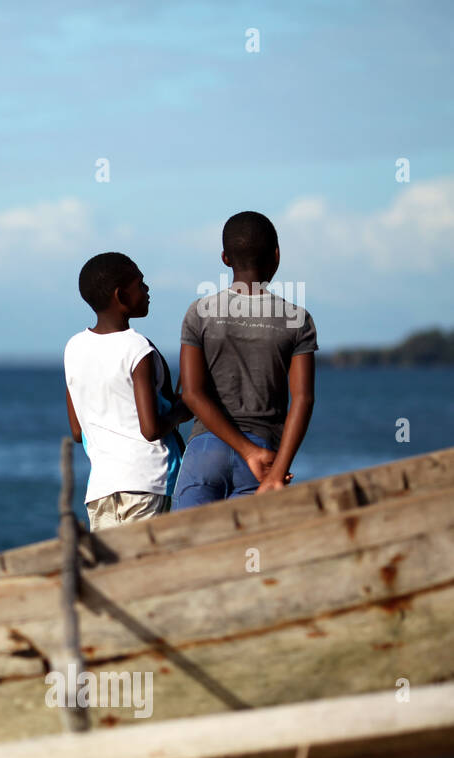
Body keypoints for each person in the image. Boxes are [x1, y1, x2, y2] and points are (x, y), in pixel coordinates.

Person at [173, 212, 317, 508]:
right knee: (252, 552)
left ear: (225, 258)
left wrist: (244, 449)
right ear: (276, 256)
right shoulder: (297, 319)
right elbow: (303, 399)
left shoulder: (199, 312)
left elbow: (191, 393)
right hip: (264, 458)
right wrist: (275, 471)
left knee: (190, 548)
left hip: (205, 449)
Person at [64, 252, 190, 531]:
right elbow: (151, 429)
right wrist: (182, 410)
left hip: (101, 488)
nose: (147, 290)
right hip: (148, 481)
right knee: (148, 567)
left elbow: (76, 431)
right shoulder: (138, 349)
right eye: (141, 284)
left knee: (113, 570)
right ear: (121, 296)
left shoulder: (74, 348)